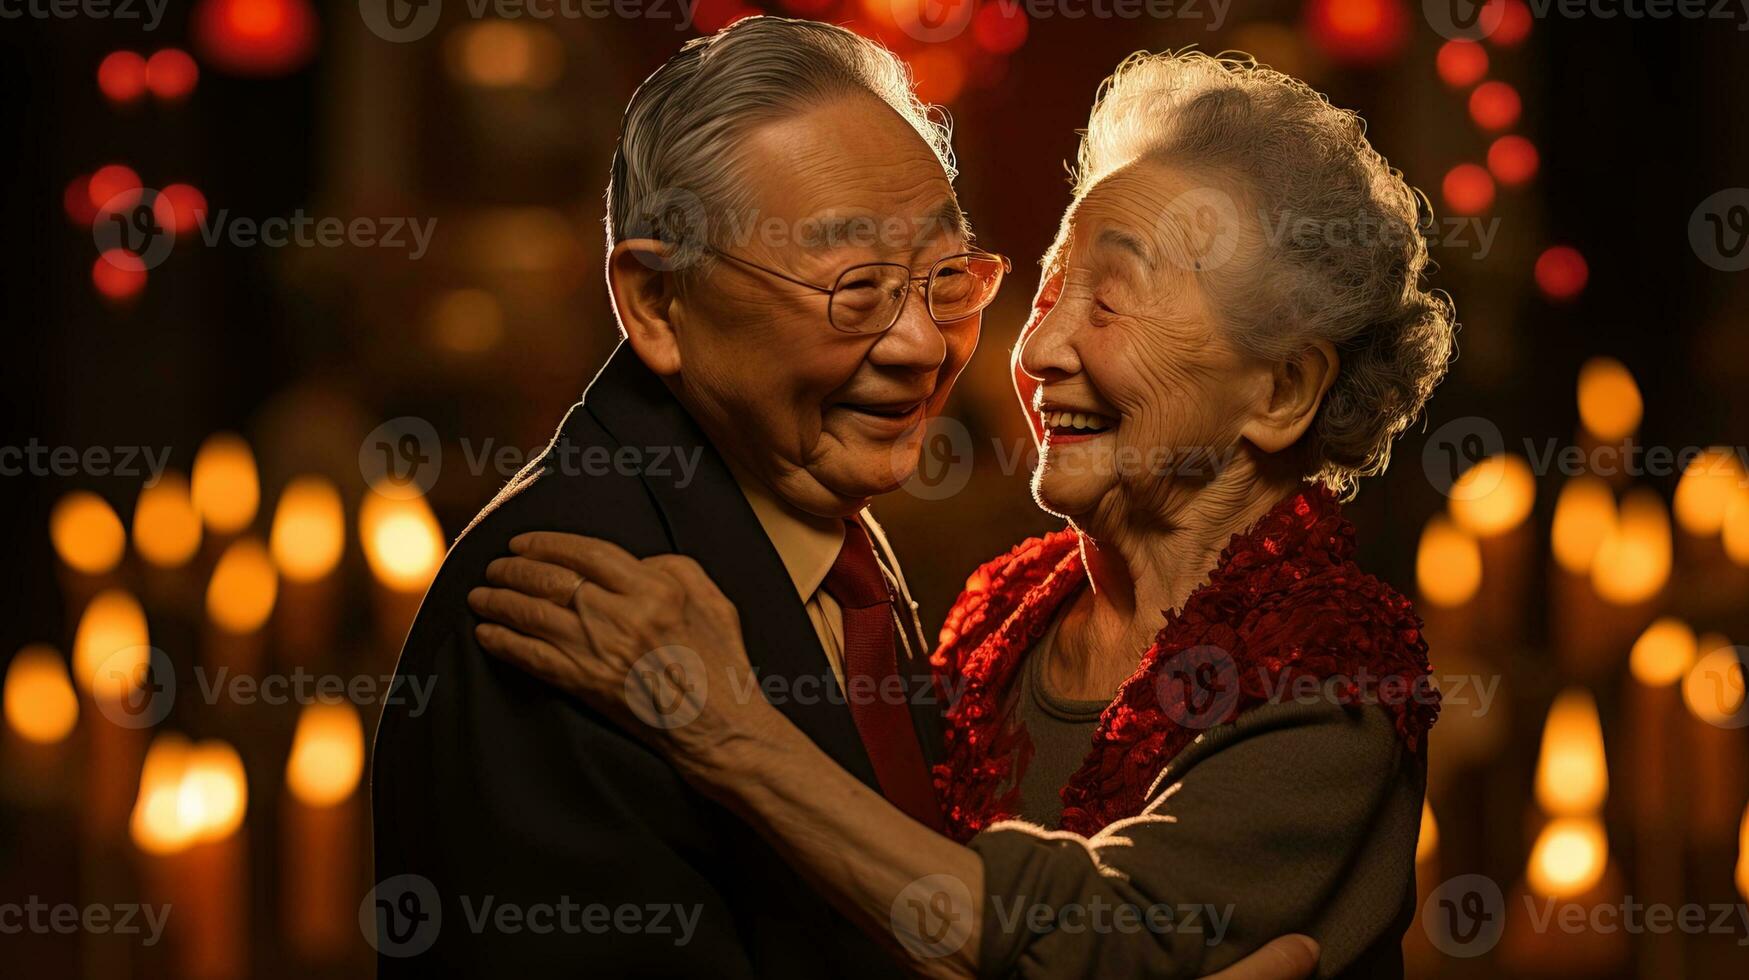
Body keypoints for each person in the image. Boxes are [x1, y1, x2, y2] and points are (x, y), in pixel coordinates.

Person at [466, 48, 1457, 978]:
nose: (1036, 353)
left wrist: (725, 727)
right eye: (1050, 290)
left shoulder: (1330, 673)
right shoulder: (1002, 615)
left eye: (1109, 303)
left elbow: (1097, 934)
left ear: (1282, 389)